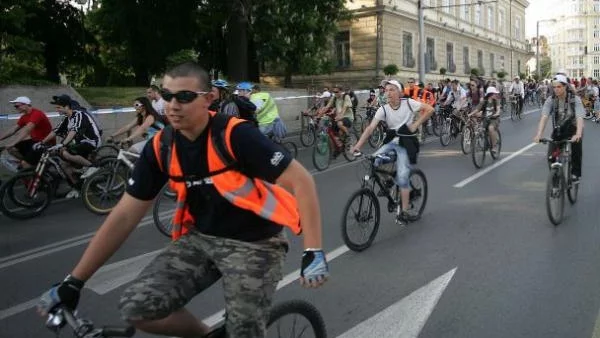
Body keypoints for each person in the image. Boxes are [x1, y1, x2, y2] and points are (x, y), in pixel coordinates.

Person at [37, 62, 328, 338]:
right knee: (136, 306)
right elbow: (124, 215)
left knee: (244, 331)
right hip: (201, 239)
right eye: (167, 96)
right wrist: (74, 281)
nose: (173, 105)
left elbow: (301, 180)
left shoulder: (236, 135)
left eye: (185, 97)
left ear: (209, 98)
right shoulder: (161, 146)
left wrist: (313, 250)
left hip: (255, 244)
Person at [351, 80, 434, 224]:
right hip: (391, 142)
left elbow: (430, 109)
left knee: (402, 177)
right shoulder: (383, 109)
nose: (387, 93)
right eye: (386, 90)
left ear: (400, 92)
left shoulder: (408, 103)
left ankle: (405, 211)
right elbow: (370, 128)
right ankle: (388, 182)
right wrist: (357, 146)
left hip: (406, 143)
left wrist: (415, 125)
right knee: (375, 161)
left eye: (391, 90)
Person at [36, 94, 102, 196]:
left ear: (67, 107)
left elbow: (74, 131)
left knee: (65, 152)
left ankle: (92, 167)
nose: (57, 110)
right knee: (64, 165)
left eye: (59, 107)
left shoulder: (79, 114)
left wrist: (62, 144)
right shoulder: (66, 118)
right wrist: (42, 142)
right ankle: (78, 188)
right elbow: (55, 131)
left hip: (90, 142)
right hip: (79, 144)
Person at [533, 74, 584, 182]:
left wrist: (578, 133)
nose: (556, 89)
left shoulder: (575, 99)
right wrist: (539, 134)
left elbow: (579, 118)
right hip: (559, 129)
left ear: (565, 86)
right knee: (551, 156)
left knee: (576, 147)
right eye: (554, 87)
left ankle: (575, 173)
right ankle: (555, 181)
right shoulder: (551, 100)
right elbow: (544, 117)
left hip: (574, 128)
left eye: (559, 87)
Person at [0, 96, 53, 168]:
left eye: (17, 106)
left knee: (24, 163)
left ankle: (31, 168)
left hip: (45, 142)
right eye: (15, 106)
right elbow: (13, 130)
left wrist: (13, 143)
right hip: (35, 141)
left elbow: (27, 130)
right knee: (11, 149)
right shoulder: (24, 116)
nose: (15, 108)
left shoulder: (37, 114)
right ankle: (33, 165)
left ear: (25, 105)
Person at [468, 87, 502, 155]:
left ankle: (494, 146)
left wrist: (497, 113)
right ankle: (486, 142)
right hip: (485, 118)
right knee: (482, 129)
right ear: (490, 94)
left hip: (494, 119)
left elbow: (498, 109)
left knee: (491, 128)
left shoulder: (496, 101)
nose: (496, 95)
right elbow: (477, 109)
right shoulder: (484, 101)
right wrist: (470, 114)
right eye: (495, 94)